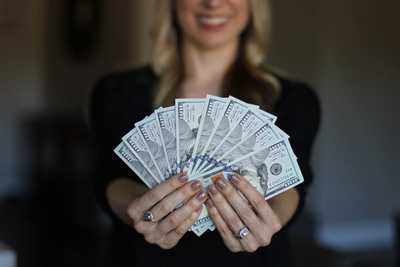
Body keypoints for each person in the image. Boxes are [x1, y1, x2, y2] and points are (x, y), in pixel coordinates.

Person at [89, 0, 320, 266]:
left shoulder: (294, 99)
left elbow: (293, 186)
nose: (213, 3)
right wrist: (140, 207)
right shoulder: (117, 91)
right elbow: (107, 178)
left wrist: (271, 220)